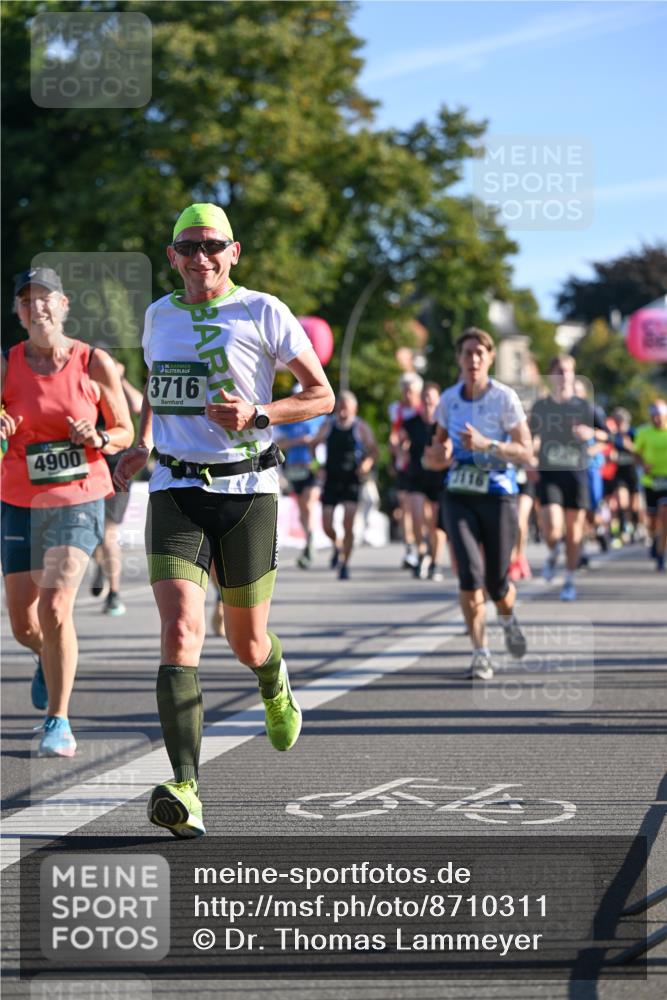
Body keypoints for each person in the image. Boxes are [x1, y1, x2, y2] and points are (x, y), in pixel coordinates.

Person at [114, 203, 334, 838]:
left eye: (213, 245)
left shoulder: (264, 310)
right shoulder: (158, 316)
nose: (200, 257)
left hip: (248, 492)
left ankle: (272, 675)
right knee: (181, 629)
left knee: (245, 642)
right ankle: (186, 785)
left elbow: (322, 395)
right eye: (188, 247)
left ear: (234, 252)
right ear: (172, 255)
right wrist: (142, 443)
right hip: (177, 487)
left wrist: (260, 414)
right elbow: (162, 391)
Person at [1, 266, 133, 756]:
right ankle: (44, 657)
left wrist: (97, 437)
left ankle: (59, 721)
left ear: (63, 305)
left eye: (45, 299)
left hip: (79, 498)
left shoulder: (92, 361)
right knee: (23, 624)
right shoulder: (6, 363)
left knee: (56, 607)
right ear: (17, 313)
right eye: (26, 301)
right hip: (19, 502)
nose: (36, 307)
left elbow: (124, 431)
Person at [424, 327, 532, 680]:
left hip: (498, 494)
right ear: (459, 358)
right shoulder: (449, 400)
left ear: (490, 358)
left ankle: (508, 616)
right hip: (458, 495)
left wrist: (486, 444)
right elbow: (432, 457)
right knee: (469, 577)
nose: (473, 359)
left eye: (479, 353)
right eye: (467, 353)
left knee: (497, 583)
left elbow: (526, 451)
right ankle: (481, 652)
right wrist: (441, 455)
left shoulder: (505, 398)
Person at [529, 357, 609, 601]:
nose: (564, 376)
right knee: (552, 528)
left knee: (574, 533)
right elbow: (529, 436)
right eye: (559, 371)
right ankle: (553, 552)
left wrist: (591, 433)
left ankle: (569, 580)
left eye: (569, 371)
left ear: (574, 375)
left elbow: (607, 435)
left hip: (577, 474)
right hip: (550, 473)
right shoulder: (541, 407)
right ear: (551, 376)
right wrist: (530, 459)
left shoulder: (585, 407)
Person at [90, 360, 144, 615]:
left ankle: (114, 593)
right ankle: (100, 566)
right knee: (93, 534)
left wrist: (120, 380)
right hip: (88, 467)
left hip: (117, 469)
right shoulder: (86, 388)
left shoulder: (119, 388)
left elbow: (138, 404)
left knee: (109, 532)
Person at [311, 390, 377, 580]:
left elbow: (373, 450)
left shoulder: (360, 427)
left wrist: (367, 464)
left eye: (345, 409)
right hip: (331, 478)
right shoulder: (328, 425)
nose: (342, 413)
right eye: (339, 408)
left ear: (354, 409)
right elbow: (313, 445)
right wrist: (318, 466)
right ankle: (337, 544)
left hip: (351, 479)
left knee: (348, 523)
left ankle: (345, 563)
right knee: (326, 524)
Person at [274, 385, 326, 569]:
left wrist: (314, 444)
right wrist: (298, 441)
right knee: (303, 507)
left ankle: (311, 541)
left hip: (312, 467)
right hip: (293, 468)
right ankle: (309, 538)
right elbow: (279, 444)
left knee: (309, 503)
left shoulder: (319, 417)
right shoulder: (287, 419)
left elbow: (326, 440)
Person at [399, 381, 446, 580]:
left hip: (439, 477)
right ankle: (420, 552)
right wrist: (400, 450)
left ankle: (435, 562)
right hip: (417, 476)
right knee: (416, 514)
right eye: (425, 401)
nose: (428, 405)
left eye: (432, 402)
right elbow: (400, 442)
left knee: (435, 524)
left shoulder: (444, 425)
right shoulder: (411, 423)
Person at [388, 373, 423, 569]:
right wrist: (397, 451)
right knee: (404, 506)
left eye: (411, 391)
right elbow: (394, 436)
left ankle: (422, 544)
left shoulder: (424, 409)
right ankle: (410, 547)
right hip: (404, 465)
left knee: (422, 510)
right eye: (405, 390)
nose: (407, 394)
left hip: (422, 465)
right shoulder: (397, 410)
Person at [634, 399, 667, 572]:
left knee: (665, 514)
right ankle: (655, 540)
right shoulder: (644, 432)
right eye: (654, 416)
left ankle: (661, 556)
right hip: (651, 481)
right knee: (653, 521)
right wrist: (642, 465)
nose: (657, 420)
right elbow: (636, 453)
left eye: (660, 416)